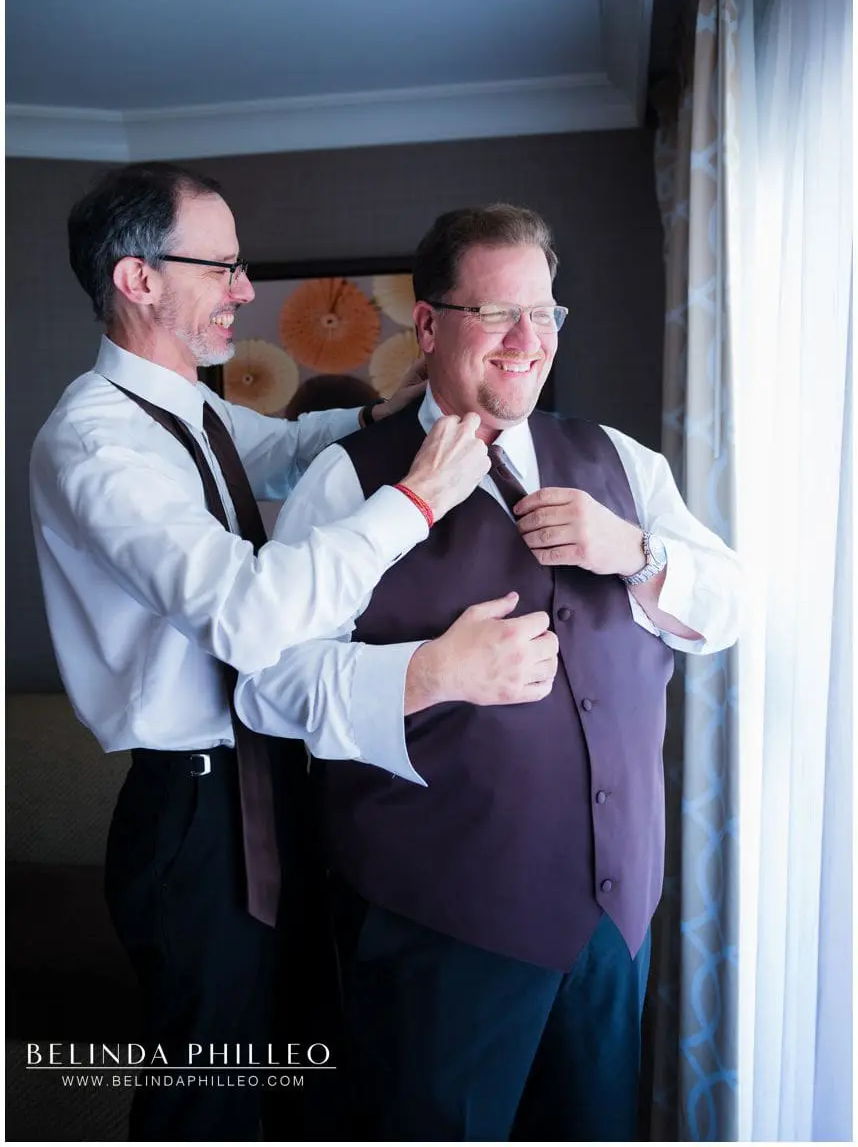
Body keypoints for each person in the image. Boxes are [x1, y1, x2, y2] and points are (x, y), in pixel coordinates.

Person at [28, 167, 560, 1143]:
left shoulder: (183, 406)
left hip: (271, 785)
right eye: (223, 265)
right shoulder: (97, 445)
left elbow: (278, 446)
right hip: (195, 812)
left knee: (295, 1064)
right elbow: (249, 618)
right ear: (139, 278)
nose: (241, 287)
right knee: (211, 1087)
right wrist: (416, 499)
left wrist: (382, 419)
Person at [237, 204, 742, 1143]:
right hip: (441, 927)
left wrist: (636, 551)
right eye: (498, 314)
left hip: (611, 921)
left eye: (545, 314)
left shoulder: (624, 465)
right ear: (429, 326)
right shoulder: (347, 482)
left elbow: (731, 610)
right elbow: (266, 684)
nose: (528, 341)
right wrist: (426, 673)